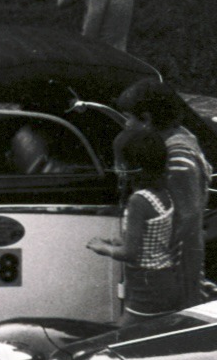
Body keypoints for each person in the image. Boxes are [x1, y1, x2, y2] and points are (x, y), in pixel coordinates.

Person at [117, 80, 209, 305]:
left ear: (147, 119)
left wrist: (161, 260)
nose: (126, 124)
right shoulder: (182, 136)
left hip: (177, 257)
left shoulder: (175, 156)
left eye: (129, 117)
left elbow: (187, 217)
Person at [88, 127, 182, 323]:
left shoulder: (138, 201)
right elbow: (149, 238)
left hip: (146, 286)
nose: (115, 166)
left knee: (124, 334)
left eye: (118, 161)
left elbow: (130, 254)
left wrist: (102, 248)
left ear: (132, 166)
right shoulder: (161, 192)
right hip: (163, 278)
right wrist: (116, 240)